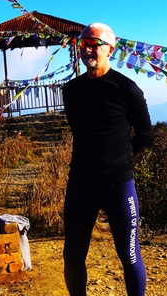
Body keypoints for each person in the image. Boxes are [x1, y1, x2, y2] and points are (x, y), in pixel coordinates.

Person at [62, 22, 154, 296]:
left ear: (110, 50)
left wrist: (121, 160)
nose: (87, 48)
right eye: (83, 43)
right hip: (80, 185)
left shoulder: (127, 89)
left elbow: (145, 135)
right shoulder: (71, 91)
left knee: (130, 257)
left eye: (94, 43)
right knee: (73, 256)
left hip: (119, 187)